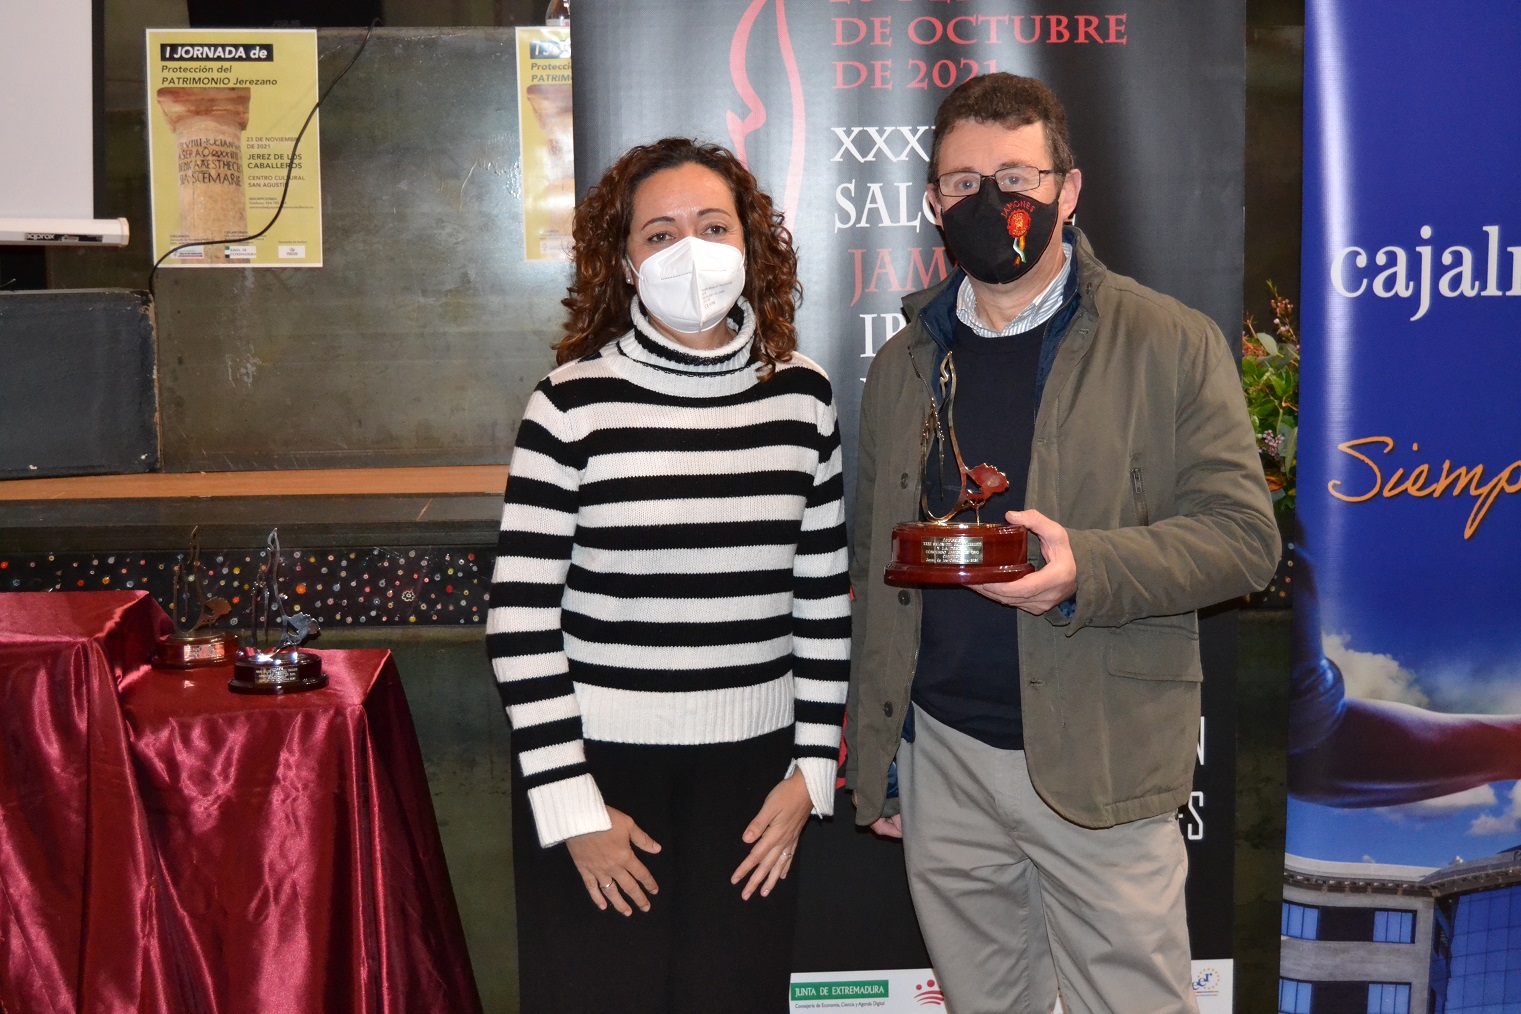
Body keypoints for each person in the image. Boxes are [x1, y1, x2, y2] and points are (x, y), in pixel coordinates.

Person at [844, 73, 1280, 1014]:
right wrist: (883, 753)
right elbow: (874, 568)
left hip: (1101, 757)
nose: (989, 201)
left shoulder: (1169, 342)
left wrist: (1089, 569)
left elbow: (1246, 540)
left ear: (1067, 190)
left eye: (1016, 178)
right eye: (963, 182)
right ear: (932, 203)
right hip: (943, 758)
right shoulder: (903, 360)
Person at [486, 138, 850, 1014]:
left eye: (712, 226)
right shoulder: (568, 405)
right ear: (624, 262)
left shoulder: (803, 398)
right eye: (659, 234)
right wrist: (571, 806)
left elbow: (821, 601)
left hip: (755, 785)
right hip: (599, 778)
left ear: (749, 242)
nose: (690, 250)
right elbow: (519, 619)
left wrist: (810, 773)